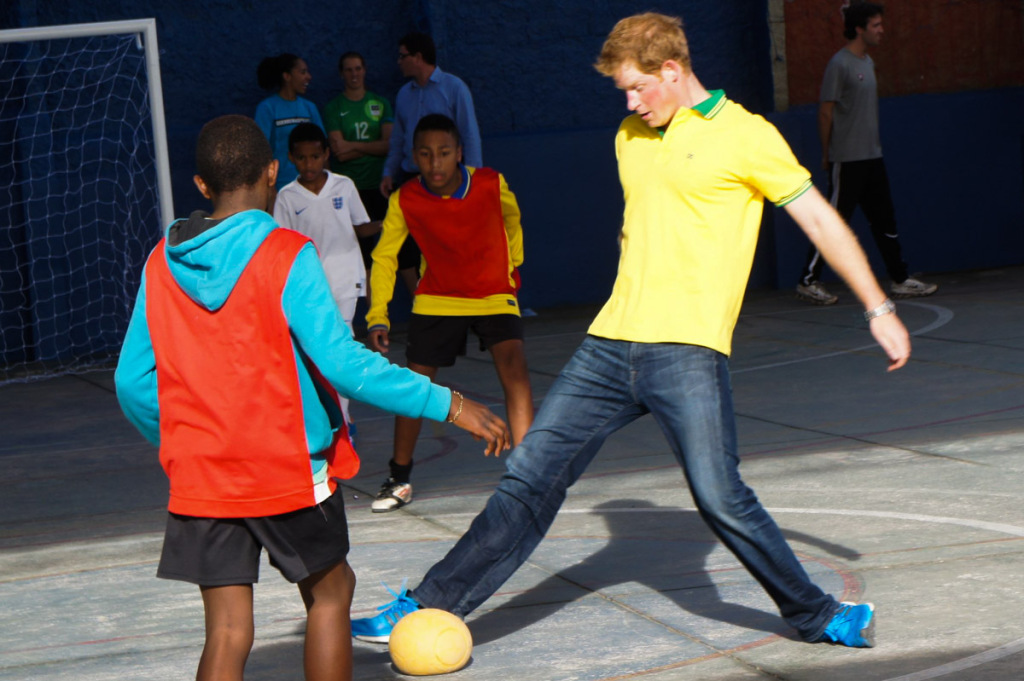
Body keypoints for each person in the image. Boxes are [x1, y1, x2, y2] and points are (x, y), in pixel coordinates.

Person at [351, 12, 913, 649]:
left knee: (718, 495)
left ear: (672, 70)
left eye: (637, 87)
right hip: (608, 346)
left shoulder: (747, 136)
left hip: (688, 350)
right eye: (623, 90)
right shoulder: (630, 136)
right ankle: (425, 604)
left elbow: (820, 221)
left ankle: (818, 614)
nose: (629, 101)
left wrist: (878, 307)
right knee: (529, 475)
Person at [113, 114, 510, 681]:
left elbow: (132, 383)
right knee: (332, 591)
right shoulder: (285, 253)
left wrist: (188, 440)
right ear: (273, 172)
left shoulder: (161, 261)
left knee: (227, 629)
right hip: (285, 468)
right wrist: (447, 402)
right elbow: (343, 365)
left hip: (203, 475)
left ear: (201, 186)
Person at [365, 113, 533, 513]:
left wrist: (513, 262)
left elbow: (513, 219)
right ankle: (399, 476)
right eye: (425, 154)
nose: (435, 163)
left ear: (459, 153)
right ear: (413, 157)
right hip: (438, 297)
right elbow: (385, 257)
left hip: (493, 292)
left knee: (514, 367)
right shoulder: (405, 198)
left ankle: (529, 476)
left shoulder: (492, 183)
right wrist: (378, 315)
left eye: (443, 153)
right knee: (415, 385)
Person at [795, 2, 936, 305]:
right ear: (859, 28)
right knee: (833, 221)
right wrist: (827, 154)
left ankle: (899, 279)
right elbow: (825, 112)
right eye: (876, 25)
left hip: (872, 157)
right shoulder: (840, 64)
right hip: (846, 159)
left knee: (885, 221)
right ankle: (808, 281)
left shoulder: (867, 62)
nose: (881, 30)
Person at [380, 32, 484, 296]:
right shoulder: (404, 94)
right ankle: (422, 302)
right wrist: (389, 172)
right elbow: (399, 139)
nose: (399, 61)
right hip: (411, 177)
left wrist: (473, 181)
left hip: (446, 180)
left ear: (418, 57)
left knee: (447, 242)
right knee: (404, 246)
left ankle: (456, 298)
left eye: (403, 56)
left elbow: (469, 135)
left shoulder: (454, 88)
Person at [274, 122, 370, 330]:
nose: (309, 165)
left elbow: (361, 227)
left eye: (315, 157)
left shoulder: (344, 186)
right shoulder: (286, 197)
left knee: (343, 336)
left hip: (345, 276)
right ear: (291, 157)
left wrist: (388, 224)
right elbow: (283, 244)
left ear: (326, 154)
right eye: (301, 158)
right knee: (317, 336)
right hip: (310, 281)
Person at [323, 52, 393, 307]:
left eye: (358, 69)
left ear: (365, 70)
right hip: (349, 190)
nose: (354, 74)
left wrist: (353, 146)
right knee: (357, 255)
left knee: (387, 250)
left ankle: (381, 312)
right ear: (342, 74)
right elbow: (337, 151)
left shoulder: (380, 103)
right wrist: (368, 146)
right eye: (349, 70)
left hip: (378, 186)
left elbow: (388, 145)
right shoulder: (334, 107)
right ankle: (366, 316)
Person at [255, 53, 325, 191]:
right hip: (280, 185)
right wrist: (269, 188)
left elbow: (323, 147)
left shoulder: (309, 108)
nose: (308, 77)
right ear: (287, 76)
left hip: (310, 184)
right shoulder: (267, 108)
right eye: (302, 72)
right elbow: (260, 151)